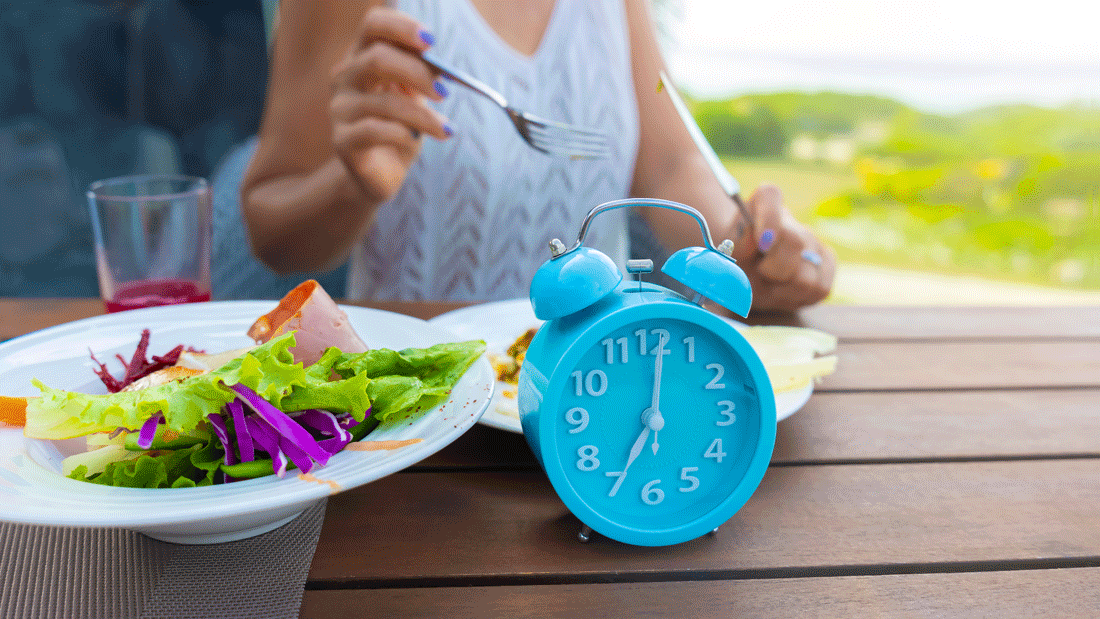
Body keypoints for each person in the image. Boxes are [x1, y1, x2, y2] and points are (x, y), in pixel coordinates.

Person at [241, 0, 835, 311]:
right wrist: (353, 185)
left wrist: (745, 250)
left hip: (600, 395)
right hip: (416, 424)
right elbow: (272, 231)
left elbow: (672, 165)